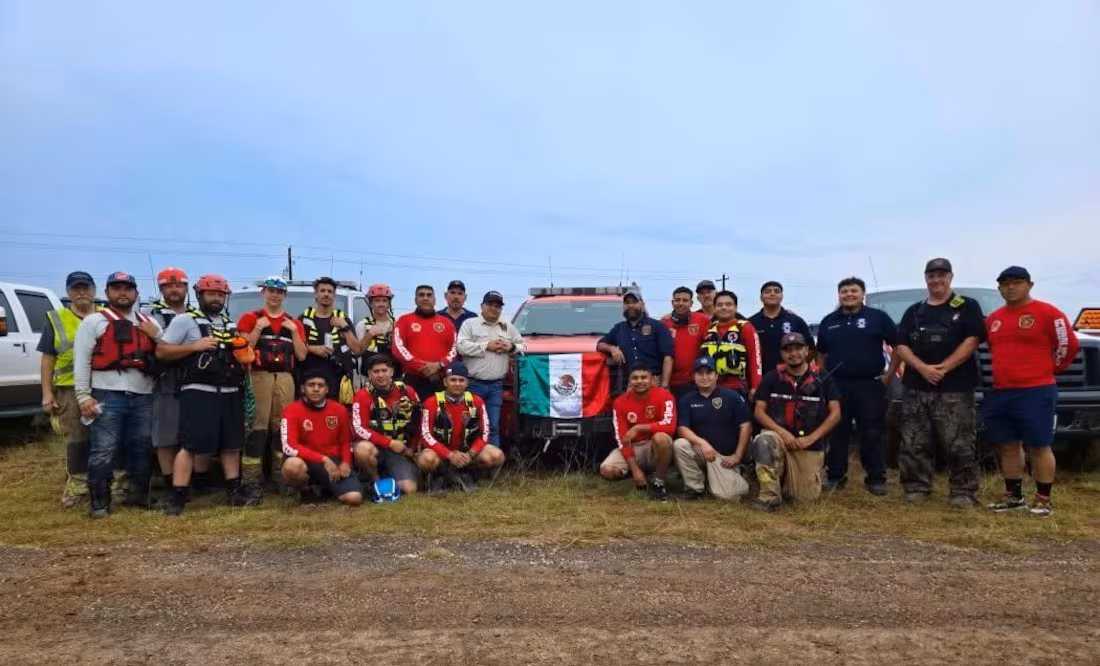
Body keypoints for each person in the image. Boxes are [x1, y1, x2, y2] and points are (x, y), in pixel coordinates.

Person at [155, 274, 259, 515]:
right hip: (199, 391)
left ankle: (234, 491)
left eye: (220, 295)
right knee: (190, 444)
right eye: (211, 294)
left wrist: (245, 356)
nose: (216, 298)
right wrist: (195, 346)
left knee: (231, 444)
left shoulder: (229, 324)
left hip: (230, 391)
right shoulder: (185, 320)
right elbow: (161, 351)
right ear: (200, 295)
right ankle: (178, 496)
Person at [983, 266, 1079, 517]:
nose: (1010, 287)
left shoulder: (1048, 313)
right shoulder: (993, 319)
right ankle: (1014, 497)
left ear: (1029, 285)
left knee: (1039, 444)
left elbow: (1068, 344)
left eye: (1016, 282)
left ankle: (1043, 499)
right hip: (1002, 390)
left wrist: (1053, 368)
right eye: (1005, 284)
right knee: (1008, 445)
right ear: (999, 288)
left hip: (1036, 390)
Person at [893, 259, 984, 508]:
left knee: (959, 442)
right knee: (914, 441)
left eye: (941, 275)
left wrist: (944, 368)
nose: (936, 280)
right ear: (926, 279)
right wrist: (923, 368)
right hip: (916, 386)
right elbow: (901, 345)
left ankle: (963, 491)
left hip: (955, 387)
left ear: (950, 277)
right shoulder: (914, 311)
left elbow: (972, 340)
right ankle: (916, 487)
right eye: (932, 276)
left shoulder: (967, 306)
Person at [73, 271, 161, 518]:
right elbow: (81, 361)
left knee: (141, 446)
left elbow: (166, 349)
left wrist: (157, 335)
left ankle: (138, 494)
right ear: (107, 293)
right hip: (107, 394)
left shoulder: (149, 323)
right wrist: (83, 396)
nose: (123, 293)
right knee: (104, 449)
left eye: (127, 288)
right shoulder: (94, 322)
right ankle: (100, 502)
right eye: (117, 288)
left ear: (136, 293)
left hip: (143, 394)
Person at [816, 276, 901, 496]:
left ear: (863, 294)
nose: (849, 294)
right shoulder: (829, 321)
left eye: (854, 290)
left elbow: (898, 347)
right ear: (839, 295)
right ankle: (835, 476)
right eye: (844, 291)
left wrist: (889, 375)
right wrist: (822, 379)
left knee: (872, 432)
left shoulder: (878, 317)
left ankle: (876, 478)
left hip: (870, 384)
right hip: (837, 385)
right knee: (837, 432)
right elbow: (820, 354)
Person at [751, 333, 842, 511]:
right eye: (788, 350)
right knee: (763, 441)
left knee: (805, 499)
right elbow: (759, 412)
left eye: (798, 349)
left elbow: (836, 413)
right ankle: (769, 495)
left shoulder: (822, 377)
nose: (793, 354)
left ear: (807, 350)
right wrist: (782, 433)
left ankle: (785, 478)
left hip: (808, 445)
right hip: (779, 439)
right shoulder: (772, 377)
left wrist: (811, 438)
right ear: (782, 354)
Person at [39, 271, 102, 507]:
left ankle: (106, 483)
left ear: (94, 290)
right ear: (68, 292)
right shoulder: (56, 319)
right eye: (76, 288)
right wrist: (47, 393)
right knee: (77, 439)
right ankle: (78, 488)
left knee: (106, 437)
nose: (81, 292)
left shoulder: (107, 316)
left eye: (86, 287)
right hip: (69, 389)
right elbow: (48, 359)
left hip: (102, 386)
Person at [237, 276, 307, 483]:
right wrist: (258, 328)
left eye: (279, 292)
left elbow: (302, 355)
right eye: (271, 291)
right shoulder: (250, 318)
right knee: (256, 426)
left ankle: (282, 477)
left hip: (285, 377)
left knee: (282, 427)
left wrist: (294, 331)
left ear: (285, 296)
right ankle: (251, 480)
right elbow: (242, 350)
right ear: (263, 293)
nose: (275, 295)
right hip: (259, 376)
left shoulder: (294, 323)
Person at [145, 267, 206, 495]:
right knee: (166, 435)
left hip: (195, 378)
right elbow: (160, 349)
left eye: (178, 285)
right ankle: (172, 485)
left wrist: (160, 336)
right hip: (165, 379)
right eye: (168, 286)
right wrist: (184, 345)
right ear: (161, 289)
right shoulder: (150, 314)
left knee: (194, 433)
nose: (174, 290)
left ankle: (195, 483)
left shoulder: (197, 314)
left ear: (186, 288)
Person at [416, 361, 505, 493]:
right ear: (445, 382)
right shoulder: (431, 402)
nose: (457, 384)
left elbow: (485, 433)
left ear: (467, 383)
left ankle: (467, 473)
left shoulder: (477, 401)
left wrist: (470, 454)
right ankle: (438, 476)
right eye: (453, 380)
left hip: (466, 452)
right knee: (426, 460)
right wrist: (449, 454)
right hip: (441, 453)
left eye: (461, 380)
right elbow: (425, 435)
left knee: (496, 455)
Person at [672, 356, 753, 500]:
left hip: (725, 457)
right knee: (680, 444)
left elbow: (746, 426)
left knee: (730, 495)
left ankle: (733, 474)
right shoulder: (687, 399)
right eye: (700, 373)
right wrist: (702, 443)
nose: (704, 377)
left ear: (716, 375)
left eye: (709, 372)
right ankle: (695, 488)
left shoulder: (732, 397)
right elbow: (682, 428)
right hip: (703, 452)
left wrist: (738, 455)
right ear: (694, 376)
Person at [280, 367, 363, 506]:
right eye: (311, 385)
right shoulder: (291, 410)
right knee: (292, 466)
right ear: (302, 389)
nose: (316, 389)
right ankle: (307, 492)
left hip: (334, 461)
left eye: (321, 385)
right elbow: (289, 446)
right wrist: (323, 459)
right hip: (307, 461)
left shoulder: (339, 410)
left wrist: (346, 463)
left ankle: (326, 489)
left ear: (327, 389)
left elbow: (345, 441)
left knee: (354, 498)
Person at [456, 291, 526, 448]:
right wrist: (486, 346)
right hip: (473, 384)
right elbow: (460, 347)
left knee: (493, 426)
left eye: (497, 306)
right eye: (490, 305)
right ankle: (469, 459)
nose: (494, 308)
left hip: (496, 386)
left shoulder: (507, 327)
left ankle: (493, 460)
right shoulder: (470, 324)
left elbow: (524, 345)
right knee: (470, 425)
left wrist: (511, 347)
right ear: (482, 306)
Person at [598, 362, 677, 501]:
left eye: (644, 377)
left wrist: (639, 427)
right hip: (634, 447)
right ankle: (639, 476)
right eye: (635, 378)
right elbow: (622, 438)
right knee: (607, 471)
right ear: (629, 380)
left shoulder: (665, 396)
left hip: (654, 445)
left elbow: (670, 426)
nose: (639, 381)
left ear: (652, 380)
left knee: (661, 438)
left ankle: (658, 481)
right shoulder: (620, 402)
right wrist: (634, 469)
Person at [350, 354, 422, 495]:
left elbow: (419, 422)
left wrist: (412, 448)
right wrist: (389, 443)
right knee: (362, 450)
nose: (381, 375)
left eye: (384, 370)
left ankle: (394, 474)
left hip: (400, 449)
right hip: (375, 447)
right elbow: (359, 428)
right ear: (369, 374)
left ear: (391, 372)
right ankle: (375, 481)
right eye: (376, 371)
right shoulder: (362, 395)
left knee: (409, 489)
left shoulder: (408, 391)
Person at [597, 287, 674, 388]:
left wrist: (665, 385)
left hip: (654, 382)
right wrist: (612, 348)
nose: (630, 306)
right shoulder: (619, 328)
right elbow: (600, 345)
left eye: (634, 302)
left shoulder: (657, 326)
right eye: (627, 303)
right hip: (632, 382)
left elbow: (668, 357)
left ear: (642, 304)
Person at [298, 277, 361, 400]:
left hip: (337, 379)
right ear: (316, 295)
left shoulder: (343, 319)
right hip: (310, 379)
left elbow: (357, 350)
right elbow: (295, 348)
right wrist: (311, 348)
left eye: (330, 291)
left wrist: (345, 327)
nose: (326, 294)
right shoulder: (304, 319)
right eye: (322, 291)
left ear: (334, 296)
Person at [393, 285, 458, 400]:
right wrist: (422, 366)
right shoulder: (404, 320)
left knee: (439, 411)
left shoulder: (447, 323)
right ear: (415, 300)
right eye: (421, 295)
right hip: (412, 380)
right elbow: (398, 348)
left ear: (434, 300)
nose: (425, 298)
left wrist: (439, 365)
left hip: (439, 380)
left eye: (429, 295)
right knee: (412, 411)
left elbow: (455, 348)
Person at [699, 290, 763, 396]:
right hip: (710, 387)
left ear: (736, 307)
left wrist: (756, 386)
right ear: (714, 308)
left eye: (728, 304)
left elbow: (756, 358)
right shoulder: (709, 329)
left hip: (737, 387)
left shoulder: (745, 328)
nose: (724, 307)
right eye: (719, 305)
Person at [748, 281, 816, 373]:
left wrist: (798, 367)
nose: (772, 294)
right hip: (759, 376)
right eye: (767, 291)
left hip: (790, 376)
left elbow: (811, 349)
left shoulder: (796, 321)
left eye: (776, 291)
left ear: (782, 296)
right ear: (761, 297)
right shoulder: (750, 323)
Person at [660, 286, 712, 399]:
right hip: (670, 383)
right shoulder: (663, 323)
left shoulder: (702, 320)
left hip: (695, 381)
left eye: (685, 300)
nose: (681, 303)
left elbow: (710, 347)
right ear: (672, 302)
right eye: (677, 300)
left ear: (691, 303)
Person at [355, 283, 397, 373]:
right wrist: (369, 335)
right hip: (368, 376)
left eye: (384, 301)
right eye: (377, 300)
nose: (381, 304)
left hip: (392, 376)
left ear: (389, 304)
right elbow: (357, 352)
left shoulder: (396, 326)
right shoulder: (363, 325)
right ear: (371, 303)